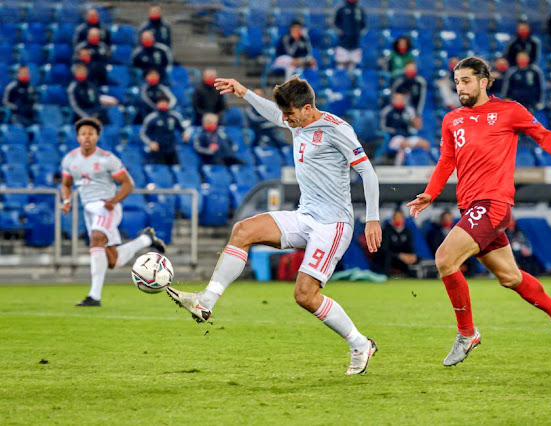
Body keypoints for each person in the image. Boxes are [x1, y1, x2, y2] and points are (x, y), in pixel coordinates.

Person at [167, 75, 382, 375]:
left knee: (305, 295)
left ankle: (360, 344)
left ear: (307, 108)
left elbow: (367, 173)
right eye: (285, 116)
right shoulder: (296, 121)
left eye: (291, 115)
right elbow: (273, 112)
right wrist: (244, 93)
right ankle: (206, 300)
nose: (286, 121)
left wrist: (372, 218)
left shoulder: (337, 129)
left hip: (332, 225)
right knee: (243, 230)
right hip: (305, 215)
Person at [406, 56, 551, 366]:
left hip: (493, 204)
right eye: (457, 82)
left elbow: (544, 136)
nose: (461, 87)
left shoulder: (509, 111)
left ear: (484, 82)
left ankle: (467, 333)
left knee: (445, 258)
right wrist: (430, 193)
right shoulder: (451, 119)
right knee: (510, 277)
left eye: (467, 81)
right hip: (471, 206)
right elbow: (447, 161)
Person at [60, 117, 166, 306]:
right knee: (112, 261)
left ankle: (94, 296)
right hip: (88, 209)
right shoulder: (70, 159)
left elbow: (128, 183)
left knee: (96, 237)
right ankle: (146, 239)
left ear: (96, 137)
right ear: (77, 137)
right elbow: (66, 184)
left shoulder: (107, 159)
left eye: (90, 134)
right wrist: (66, 200)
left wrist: (113, 201)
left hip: (105, 207)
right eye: (83, 134)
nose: (87, 137)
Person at [380, 92, 430, 165]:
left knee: (424, 143)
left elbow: (415, 126)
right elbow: (382, 127)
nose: (400, 101)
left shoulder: (408, 110)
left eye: (401, 99)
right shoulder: (387, 111)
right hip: (393, 138)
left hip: (407, 136)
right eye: (397, 99)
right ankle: (401, 168)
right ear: (393, 100)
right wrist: (394, 131)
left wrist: (416, 122)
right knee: (404, 144)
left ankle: (426, 166)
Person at [140, 94, 189, 165]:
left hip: (171, 148)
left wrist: (185, 134)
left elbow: (182, 128)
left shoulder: (174, 116)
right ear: (157, 104)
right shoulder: (151, 118)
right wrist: (150, 143)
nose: (163, 104)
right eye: (161, 102)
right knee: (161, 170)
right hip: (157, 148)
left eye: (165, 102)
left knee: (175, 168)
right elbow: (143, 133)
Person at [372, 209, 418, 276]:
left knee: (417, 259)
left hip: (402, 260)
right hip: (389, 258)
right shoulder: (387, 231)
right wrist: (399, 255)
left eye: (400, 218)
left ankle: (412, 276)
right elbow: (384, 250)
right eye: (396, 218)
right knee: (387, 258)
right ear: (393, 219)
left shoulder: (407, 231)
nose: (398, 220)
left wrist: (411, 256)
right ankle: (385, 276)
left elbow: (410, 247)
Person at [334, 0, 366, 71]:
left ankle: (352, 81)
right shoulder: (341, 10)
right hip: (342, 44)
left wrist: (357, 34)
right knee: (340, 67)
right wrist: (342, 33)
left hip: (355, 44)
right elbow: (336, 23)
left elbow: (363, 25)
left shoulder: (360, 10)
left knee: (353, 68)